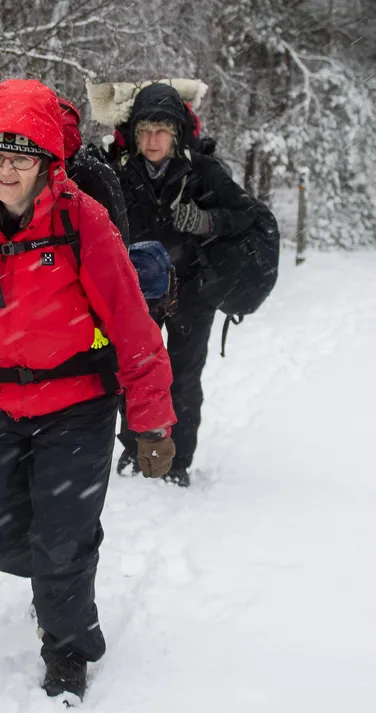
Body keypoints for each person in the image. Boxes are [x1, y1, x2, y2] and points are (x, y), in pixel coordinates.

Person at [0, 79, 176, 702]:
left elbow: (133, 325)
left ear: (47, 163)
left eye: (20, 159)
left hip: (77, 404)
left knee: (62, 539)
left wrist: (152, 422)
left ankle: (68, 648)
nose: (5, 171)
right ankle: (58, 578)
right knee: (1, 541)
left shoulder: (84, 219)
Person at [109, 82, 261, 488]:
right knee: (135, 376)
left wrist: (206, 221)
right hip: (138, 295)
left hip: (192, 293)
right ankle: (136, 449)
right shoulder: (119, 172)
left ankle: (176, 461)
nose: (152, 140)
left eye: (160, 131)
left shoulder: (203, 170)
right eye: (144, 131)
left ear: (176, 134)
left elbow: (244, 215)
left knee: (183, 378)